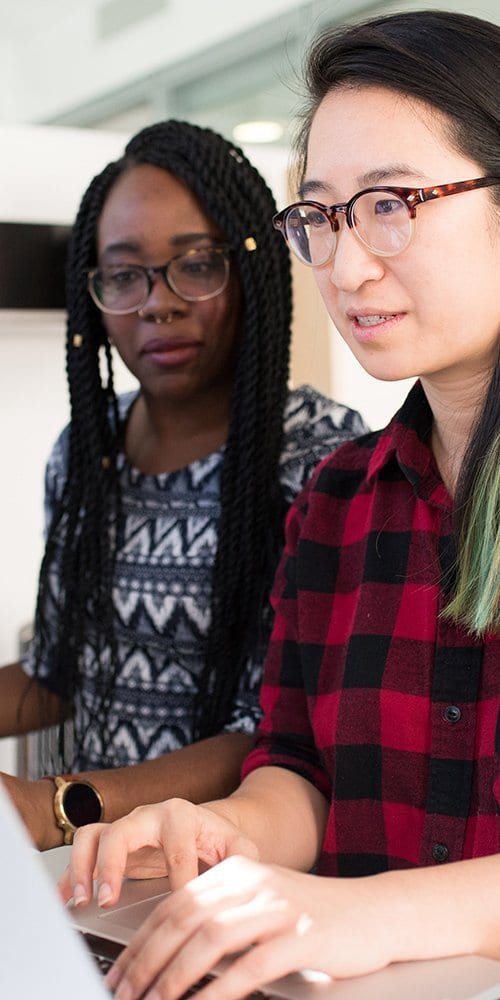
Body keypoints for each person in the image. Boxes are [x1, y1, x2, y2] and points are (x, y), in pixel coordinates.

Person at [60, 9, 499, 1000]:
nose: (344, 267)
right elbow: (296, 764)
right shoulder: (340, 498)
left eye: (391, 203)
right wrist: (227, 830)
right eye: (322, 217)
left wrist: (370, 911)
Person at [0, 120, 367, 851]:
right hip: (96, 868)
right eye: (125, 275)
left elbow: (276, 729)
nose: (156, 303)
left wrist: (58, 806)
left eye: (196, 265)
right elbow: (61, 672)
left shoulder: (320, 456)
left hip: (235, 866)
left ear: (252, 270)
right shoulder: (85, 454)